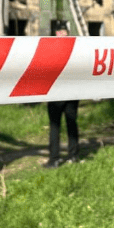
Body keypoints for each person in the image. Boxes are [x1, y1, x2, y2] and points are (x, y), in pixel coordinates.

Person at [44, 25, 80, 168]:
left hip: (58, 93)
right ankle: (73, 156)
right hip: (70, 92)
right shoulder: (75, 50)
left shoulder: (49, 51)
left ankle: (54, 159)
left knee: (56, 126)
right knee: (70, 124)